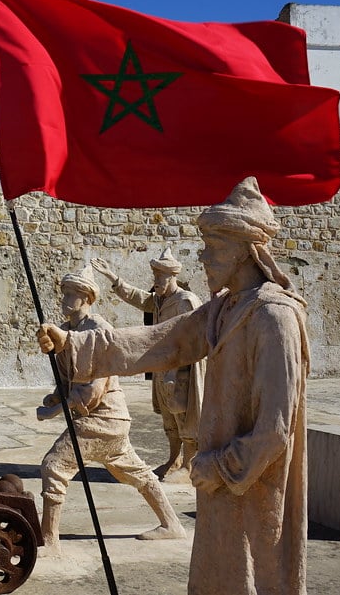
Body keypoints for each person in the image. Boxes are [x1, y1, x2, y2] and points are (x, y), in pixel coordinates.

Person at [37, 177, 310, 595]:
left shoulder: (274, 318)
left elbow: (276, 429)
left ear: (245, 250)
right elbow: (163, 341)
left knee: (257, 573)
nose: (202, 256)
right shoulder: (223, 308)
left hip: (249, 481)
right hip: (220, 481)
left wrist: (217, 466)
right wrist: (72, 343)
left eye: (212, 246)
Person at [38, 264, 185, 558]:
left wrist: (57, 411)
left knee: (54, 466)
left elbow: (94, 388)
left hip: (103, 418)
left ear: (86, 298)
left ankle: (50, 540)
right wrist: (56, 397)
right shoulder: (66, 330)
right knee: (136, 472)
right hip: (105, 420)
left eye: (71, 294)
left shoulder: (100, 329)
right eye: (64, 293)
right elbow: (68, 379)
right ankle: (172, 524)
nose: (64, 299)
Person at [92, 248, 206, 482]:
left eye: (159, 277)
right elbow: (139, 298)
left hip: (181, 370)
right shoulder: (159, 300)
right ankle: (173, 459)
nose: (156, 282)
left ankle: (189, 464)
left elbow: (197, 338)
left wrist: (182, 368)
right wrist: (113, 278)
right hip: (163, 369)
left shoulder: (186, 301)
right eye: (155, 277)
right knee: (169, 420)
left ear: (172, 276)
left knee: (185, 418)